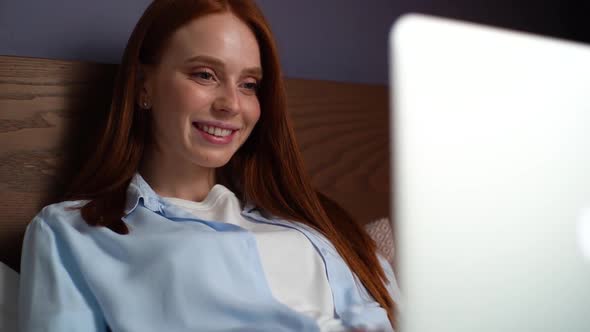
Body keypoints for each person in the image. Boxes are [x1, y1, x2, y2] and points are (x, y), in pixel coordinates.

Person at [17, 0, 401, 331]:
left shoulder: (323, 224)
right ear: (143, 86)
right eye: (205, 75)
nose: (231, 104)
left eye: (249, 84)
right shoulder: (72, 234)